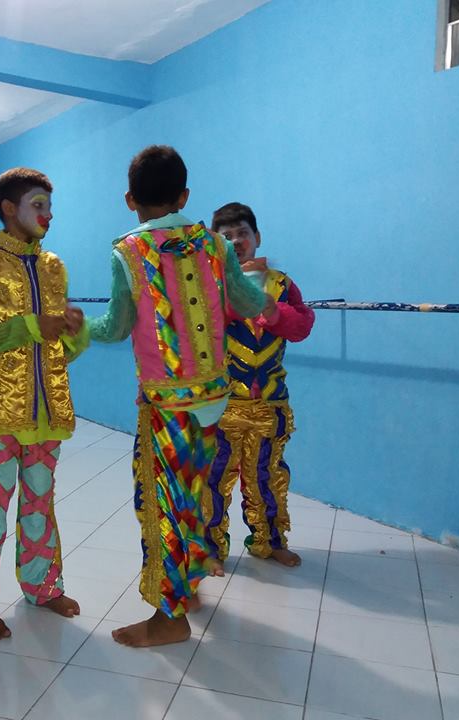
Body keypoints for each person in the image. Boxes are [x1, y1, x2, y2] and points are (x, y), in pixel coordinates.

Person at [88, 146, 273, 647]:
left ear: (130, 200)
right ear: (185, 196)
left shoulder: (128, 251)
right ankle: (186, 586)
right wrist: (259, 283)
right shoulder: (215, 245)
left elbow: (116, 327)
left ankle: (169, 617)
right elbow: (248, 303)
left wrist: (77, 327)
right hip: (214, 397)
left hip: (166, 406)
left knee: (161, 505)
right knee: (193, 492)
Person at [0, 167, 87, 640]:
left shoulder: (54, 267)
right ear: (10, 209)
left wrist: (74, 331)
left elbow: (58, 348)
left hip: (47, 409)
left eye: (50, 205)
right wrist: (30, 326)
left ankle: (43, 587)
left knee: (40, 503)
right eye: (38, 205)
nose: (48, 215)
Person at [204, 202, 314, 569]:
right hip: (222, 404)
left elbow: (302, 326)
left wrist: (273, 310)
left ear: (257, 237)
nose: (237, 241)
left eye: (243, 233)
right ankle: (208, 550)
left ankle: (270, 541)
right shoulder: (208, 284)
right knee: (214, 479)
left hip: (270, 404)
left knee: (267, 477)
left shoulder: (281, 285)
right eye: (227, 236)